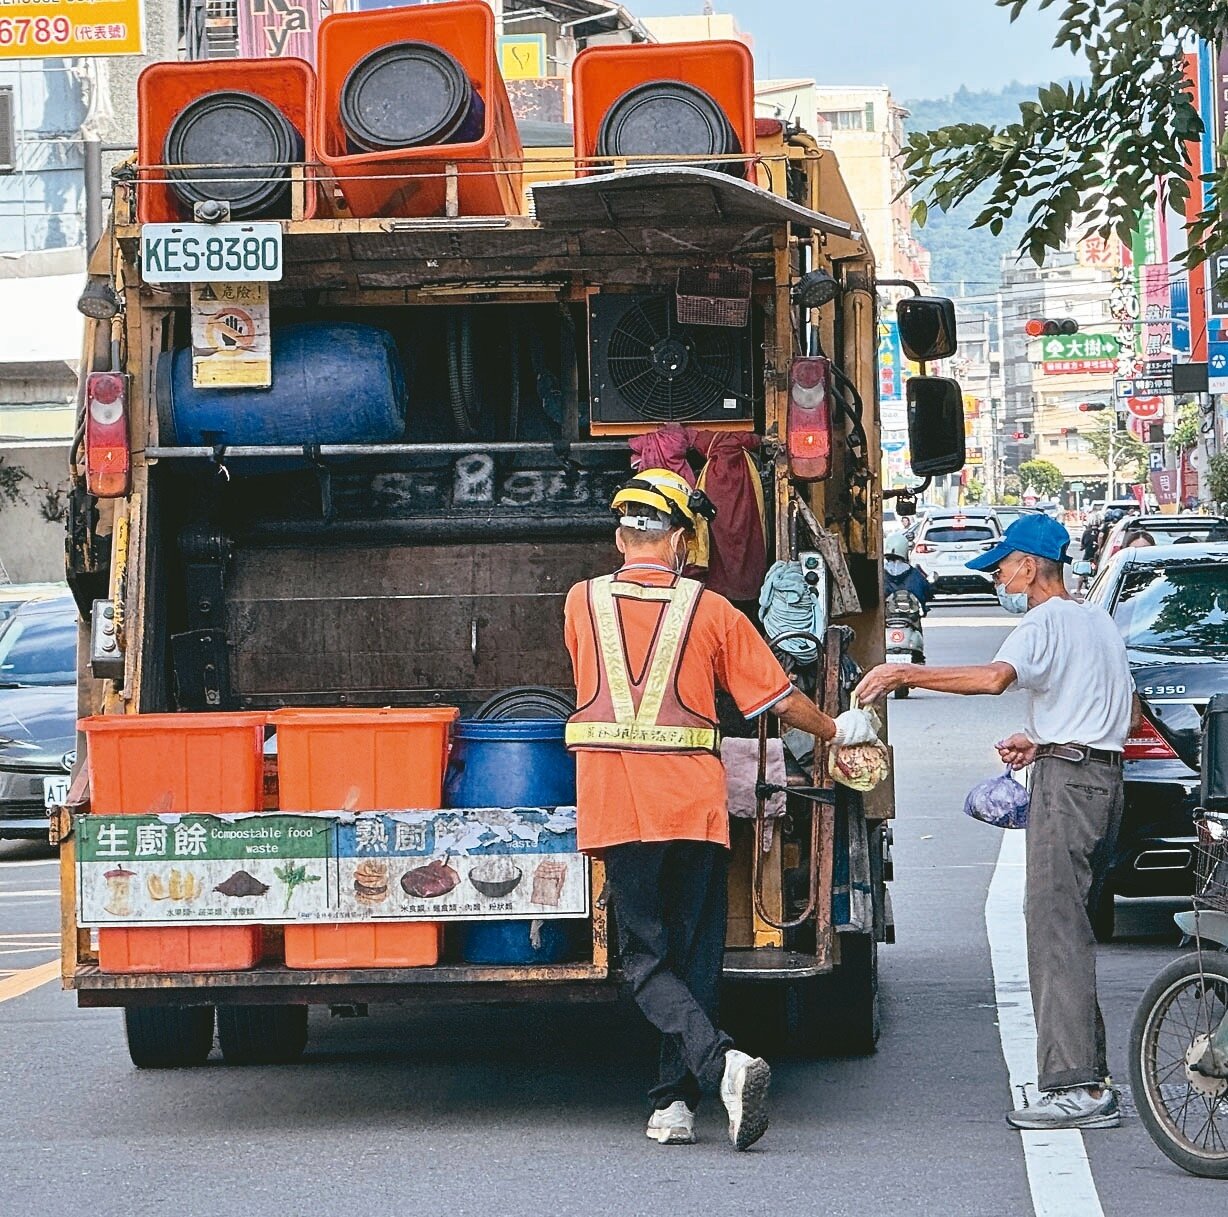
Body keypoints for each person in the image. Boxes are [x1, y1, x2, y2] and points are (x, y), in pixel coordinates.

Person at [563, 469, 879, 1151]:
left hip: (619, 809)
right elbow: (777, 700)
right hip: (696, 810)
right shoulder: (709, 611)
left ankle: (687, 1093)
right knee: (694, 958)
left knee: (645, 960)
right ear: (680, 538)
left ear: (622, 536)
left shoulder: (579, 603)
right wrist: (839, 730)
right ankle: (697, 1082)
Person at [854, 514, 1135, 1131]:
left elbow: (993, 678)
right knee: (1072, 927)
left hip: (1069, 787)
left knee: (1055, 930)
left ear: (1032, 567)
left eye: (1005, 565)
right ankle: (1091, 1074)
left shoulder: (1044, 621)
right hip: (1103, 780)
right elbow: (1115, 707)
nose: (1000, 576)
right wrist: (1046, 742)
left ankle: (1078, 1090)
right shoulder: (1097, 621)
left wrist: (903, 671)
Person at [883, 533, 932, 614]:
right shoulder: (914, 573)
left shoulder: (880, 574)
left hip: (887, 616)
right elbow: (926, 591)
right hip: (911, 616)